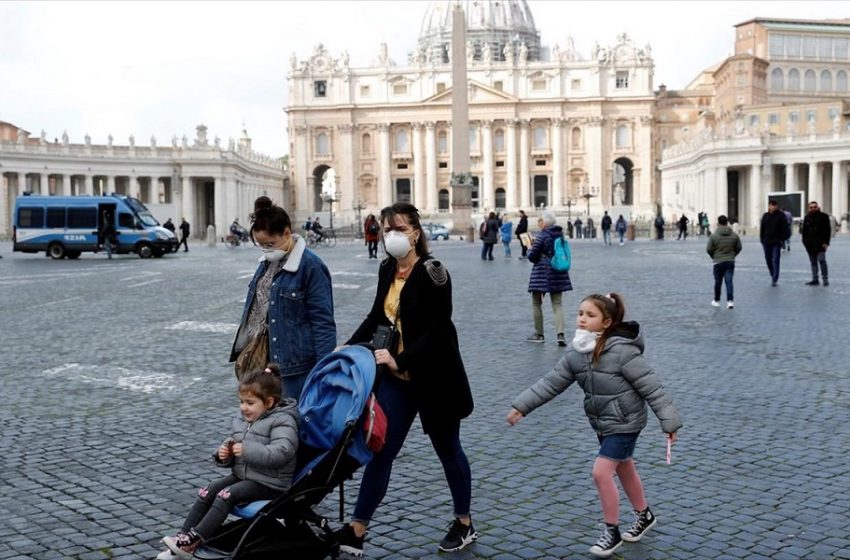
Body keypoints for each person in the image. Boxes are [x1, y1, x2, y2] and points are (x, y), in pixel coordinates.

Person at [336, 202, 476, 557]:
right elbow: (376, 317)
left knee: (448, 450)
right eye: (387, 230)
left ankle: (463, 523)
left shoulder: (433, 271)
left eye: (398, 228)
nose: (391, 236)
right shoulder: (387, 268)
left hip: (434, 377)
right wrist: (348, 346)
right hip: (396, 380)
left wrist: (400, 358)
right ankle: (357, 529)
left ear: (416, 232)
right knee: (380, 451)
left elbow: (438, 330)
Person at [506, 293, 682, 559]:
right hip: (602, 422)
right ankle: (644, 515)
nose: (582, 319)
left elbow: (653, 387)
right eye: (580, 314)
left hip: (626, 421)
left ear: (606, 322)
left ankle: (611, 532)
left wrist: (669, 421)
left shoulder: (623, 352)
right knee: (624, 468)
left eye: (590, 315)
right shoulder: (576, 352)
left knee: (601, 473)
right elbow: (551, 383)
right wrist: (522, 406)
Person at [159, 366, 299, 559]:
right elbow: (233, 440)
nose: (243, 408)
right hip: (243, 475)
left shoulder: (283, 421)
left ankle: (193, 541)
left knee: (226, 495)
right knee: (207, 491)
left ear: (269, 402)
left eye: (250, 403)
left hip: (270, 482)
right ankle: (182, 538)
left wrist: (247, 450)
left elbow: (282, 453)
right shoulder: (244, 419)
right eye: (241, 402)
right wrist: (224, 454)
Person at [229, 196, 336, 400]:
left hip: (296, 367)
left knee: (292, 424)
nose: (266, 250)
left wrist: (324, 371)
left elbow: (323, 322)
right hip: (262, 363)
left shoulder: (311, 266)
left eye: (270, 244)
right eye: (261, 246)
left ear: (287, 233)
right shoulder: (267, 263)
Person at [526, 212, 572, 346]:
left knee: (536, 303)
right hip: (557, 272)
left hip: (542, 273)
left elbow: (532, 257)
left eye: (540, 220)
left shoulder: (542, 236)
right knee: (557, 304)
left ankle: (539, 334)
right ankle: (560, 334)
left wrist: (529, 248)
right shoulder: (560, 235)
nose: (539, 222)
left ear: (545, 223)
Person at [707, 215, 742, 309]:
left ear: (718, 224)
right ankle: (730, 301)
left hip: (718, 261)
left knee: (718, 282)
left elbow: (708, 249)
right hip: (730, 261)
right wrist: (733, 255)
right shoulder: (734, 235)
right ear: (727, 223)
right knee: (729, 281)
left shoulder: (713, 236)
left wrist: (714, 256)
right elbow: (739, 247)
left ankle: (717, 300)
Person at [760, 200, 791, 287]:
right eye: (771, 205)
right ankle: (773, 273)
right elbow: (762, 228)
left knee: (775, 260)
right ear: (769, 206)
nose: (773, 207)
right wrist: (762, 240)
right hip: (766, 241)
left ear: (777, 206)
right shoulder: (765, 216)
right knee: (768, 259)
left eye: (774, 205)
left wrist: (782, 240)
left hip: (776, 242)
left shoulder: (781, 216)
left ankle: (774, 278)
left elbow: (786, 229)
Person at [801, 200, 831, 286]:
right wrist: (805, 242)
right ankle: (815, 279)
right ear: (808, 208)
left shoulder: (824, 217)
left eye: (814, 207)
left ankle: (825, 279)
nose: (813, 209)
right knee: (813, 262)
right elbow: (804, 232)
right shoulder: (807, 217)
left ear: (817, 207)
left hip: (821, 244)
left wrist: (826, 243)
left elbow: (827, 231)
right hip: (810, 244)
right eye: (811, 207)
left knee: (822, 260)